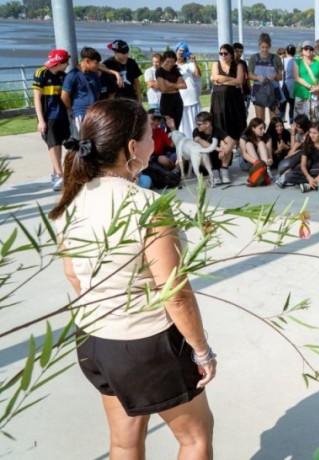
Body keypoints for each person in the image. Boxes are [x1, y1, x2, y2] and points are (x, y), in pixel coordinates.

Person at [50, 99, 215, 459]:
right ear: (131, 149)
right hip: (147, 343)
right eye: (147, 136)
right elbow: (175, 293)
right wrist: (202, 351)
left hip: (96, 340)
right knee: (195, 438)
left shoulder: (72, 198)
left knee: (124, 442)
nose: (154, 143)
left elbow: (71, 272)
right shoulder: (146, 205)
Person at [34, 48, 71, 192]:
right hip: (48, 115)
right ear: (60, 63)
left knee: (60, 144)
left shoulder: (63, 75)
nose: (67, 65)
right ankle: (59, 175)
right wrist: (40, 120)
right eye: (66, 62)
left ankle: (56, 172)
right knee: (52, 145)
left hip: (61, 114)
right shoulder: (41, 73)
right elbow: (36, 98)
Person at [274, 120, 319, 192]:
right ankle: (312, 184)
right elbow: (303, 164)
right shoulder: (307, 144)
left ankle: (309, 185)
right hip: (310, 170)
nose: (312, 135)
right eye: (310, 132)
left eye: (315, 133)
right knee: (288, 176)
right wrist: (309, 178)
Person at [61, 47, 103, 137]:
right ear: (87, 61)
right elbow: (64, 96)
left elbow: (98, 93)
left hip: (94, 112)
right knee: (85, 138)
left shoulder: (94, 75)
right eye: (95, 63)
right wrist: (73, 109)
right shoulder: (73, 75)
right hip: (81, 113)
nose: (97, 66)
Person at [210, 43, 247, 143]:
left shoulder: (238, 65)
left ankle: (237, 143)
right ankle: (223, 142)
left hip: (234, 99)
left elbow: (239, 81)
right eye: (221, 53)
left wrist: (223, 81)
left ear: (231, 54)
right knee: (220, 120)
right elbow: (215, 77)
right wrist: (231, 80)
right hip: (218, 99)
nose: (223, 56)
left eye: (225, 54)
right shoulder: (216, 64)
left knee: (235, 120)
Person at [248, 33, 284, 121]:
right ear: (259, 46)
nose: (264, 50)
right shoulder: (253, 58)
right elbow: (249, 75)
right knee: (260, 120)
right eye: (262, 47)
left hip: (273, 91)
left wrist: (275, 76)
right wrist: (257, 78)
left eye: (267, 47)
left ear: (270, 46)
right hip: (258, 90)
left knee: (274, 120)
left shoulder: (276, 58)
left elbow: (280, 77)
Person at [193, 111, 236, 185]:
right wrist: (217, 149)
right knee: (202, 152)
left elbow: (231, 142)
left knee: (226, 146)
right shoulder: (196, 131)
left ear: (207, 124)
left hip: (219, 158)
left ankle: (224, 171)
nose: (197, 126)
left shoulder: (217, 130)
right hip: (206, 162)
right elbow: (198, 140)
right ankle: (213, 173)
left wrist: (224, 151)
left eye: (199, 124)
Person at [174, 42, 202, 139]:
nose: (181, 53)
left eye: (184, 51)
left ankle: (197, 139)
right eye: (179, 50)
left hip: (192, 97)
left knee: (195, 120)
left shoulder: (190, 64)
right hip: (180, 98)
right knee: (183, 122)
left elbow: (198, 74)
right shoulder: (173, 66)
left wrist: (194, 61)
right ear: (176, 52)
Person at [293, 41, 319, 121]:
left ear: (313, 50)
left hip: (316, 94)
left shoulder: (318, 63)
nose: (308, 50)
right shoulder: (297, 62)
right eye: (306, 48)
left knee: (315, 118)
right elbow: (297, 77)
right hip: (301, 94)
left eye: (311, 49)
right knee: (300, 120)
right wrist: (310, 87)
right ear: (302, 50)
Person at [156, 50, 186, 129]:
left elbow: (184, 86)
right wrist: (176, 85)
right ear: (163, 60)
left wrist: (170, 84)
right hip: (167, 100)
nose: (170, 64)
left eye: (172, 62)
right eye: (168, 61)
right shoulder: (159, 71)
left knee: (177, 126)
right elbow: (163, 89)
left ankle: (175, 141)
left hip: (177, 99)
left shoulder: (175, 69)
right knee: (169, 126)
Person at [281, 44, 297, 122]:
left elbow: (281, 74)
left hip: (285, 83)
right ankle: (291, 121)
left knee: (282, 105)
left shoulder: (283, 60)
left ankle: (281, 120)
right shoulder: (297, 60)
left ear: (286, 51)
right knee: (292, 105)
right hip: (294, 84)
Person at [233, 42, 251, 109]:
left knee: (245, 112)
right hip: (234, 92)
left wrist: (250, 90)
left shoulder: (243, 62)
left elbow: (247, 77)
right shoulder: (229, 63)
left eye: (241, 52)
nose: (239, 54)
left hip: (245, 92)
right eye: (237, 51)